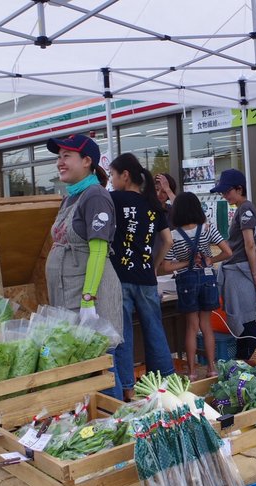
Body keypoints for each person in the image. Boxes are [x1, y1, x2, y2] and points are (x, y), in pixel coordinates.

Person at [44, 133, 123, 399]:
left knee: (102, 365)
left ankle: (115, 424)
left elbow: (99, 250)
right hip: (71, 296)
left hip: (91, 296)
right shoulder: (71, 197)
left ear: (87, 160)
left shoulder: (96, 197)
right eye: (59, 156)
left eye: (67, 156)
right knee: (85, 367)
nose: (60, 162)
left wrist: (88, 299)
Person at [109, 153, 175, 401]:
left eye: (113, 176)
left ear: (125, 176)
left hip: (120, 278)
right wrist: (154, 266)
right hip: (147, 278)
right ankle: (164, 383)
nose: (112, 182)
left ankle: (127, 388)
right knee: (155, 329)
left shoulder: (113, 200)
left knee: (123, 334)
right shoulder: (153, 205)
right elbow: (167, 241)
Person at [163, 192, 231, 379]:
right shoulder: (208, 228)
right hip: (207, 278)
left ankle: (192, 372)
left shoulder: (173, 235)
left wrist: (186, 263)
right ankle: (212, 368)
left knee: (192, 327)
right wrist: (210, 260)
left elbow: (167, 266)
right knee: (206, 326)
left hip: (186, 280)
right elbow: (227, 252)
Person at [210, 169, 256, 359]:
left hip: (239, 270)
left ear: (239, 188)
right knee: (243, 318)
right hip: (238, 269)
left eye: (227, 191)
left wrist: (255, 272)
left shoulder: (245, 209)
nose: (225, 196)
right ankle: (243, 359)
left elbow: (250, 244)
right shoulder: (244, 209)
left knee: (245, 320)